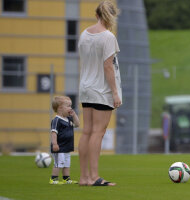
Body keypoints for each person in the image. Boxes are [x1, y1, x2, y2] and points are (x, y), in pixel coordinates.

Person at [78, 0, 121, 186]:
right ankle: (94, 177)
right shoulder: (108, 37)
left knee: (86, 132)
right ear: (111, 17)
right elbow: (108, 66)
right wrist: (115, 93)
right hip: (101, 90)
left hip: (85, 87)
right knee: (98, 132)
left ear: (96, 15)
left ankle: (84, 177)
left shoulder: (84, 34)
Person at [50, 96, 80, 185]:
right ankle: (53, 179)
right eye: (68, 106)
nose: (70, 108)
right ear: (60, 108)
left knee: (67, 164)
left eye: (71, 106)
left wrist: (74, 115)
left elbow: (77, 124)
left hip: (67, 146)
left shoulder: (69, 119)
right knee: (58, 163)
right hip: (59, 147)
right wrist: (55, 144)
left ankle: (66, 179)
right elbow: (53, 133)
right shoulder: (56, 120)